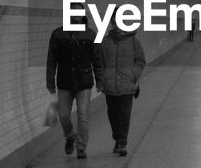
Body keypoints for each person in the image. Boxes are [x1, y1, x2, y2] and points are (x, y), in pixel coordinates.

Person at [45, 11, 100, 160]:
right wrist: (50, 80)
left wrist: (99, 80)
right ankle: (70, 135)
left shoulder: (90, 34)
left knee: (83, 116)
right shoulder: (58, 35)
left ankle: (81, 148)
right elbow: (52, 59)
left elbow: (96, 58)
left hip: (84, 82)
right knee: (63, 115)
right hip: (65, 82)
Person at [96, 23, 145, 156]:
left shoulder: (133, 41)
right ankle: (117, 138)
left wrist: (133, 74)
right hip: (110, 84)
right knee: (112, 114)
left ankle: (122, 142)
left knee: (124, 114)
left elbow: (140, 60)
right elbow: (99, 62)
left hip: (127, 84)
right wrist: (101, 79)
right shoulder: (105, 41)